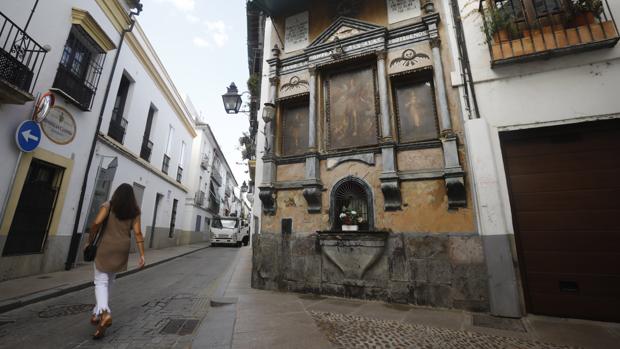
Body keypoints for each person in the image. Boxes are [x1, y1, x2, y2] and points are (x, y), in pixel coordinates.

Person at [85, 183, 145, 339]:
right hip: (122, 249)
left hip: (106, 247)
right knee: (110, 280)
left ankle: (105, 313)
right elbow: (138, 233)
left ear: (116, 194)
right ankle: (97, 315)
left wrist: (89, 240)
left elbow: (96, 223)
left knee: (100, 281)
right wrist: (142, 255)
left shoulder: (109, 205)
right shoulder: (135, 211)